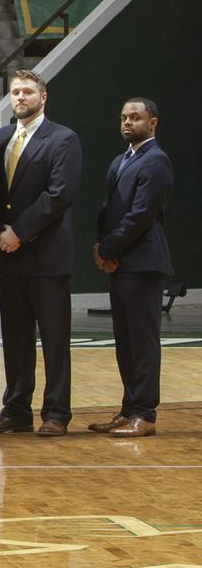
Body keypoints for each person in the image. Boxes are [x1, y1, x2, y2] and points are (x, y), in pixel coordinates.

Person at [0, 69, 82, 437]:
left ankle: (56, 412)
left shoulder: (63, 139)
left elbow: (59, 195)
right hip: (8, 255)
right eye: (15, 92)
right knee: (15, 338)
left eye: (27, 92)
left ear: (43, 97)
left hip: (47, 255)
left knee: (55, 340)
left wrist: (19, 233)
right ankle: (16, 409)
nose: (20, 98)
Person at [90, 98, 171, 438]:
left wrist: (107, 249)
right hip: (122, 262)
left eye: (135, 117)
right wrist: (101, 247)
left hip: (143, 263)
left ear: (152, 123)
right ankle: (128, 409)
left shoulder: (156, 161)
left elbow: (140, 216)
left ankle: (144, 413)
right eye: (123, 117)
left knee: (142, 341)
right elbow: (109, 210)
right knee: (125, 341)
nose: (127, 122)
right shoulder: (121, 160)